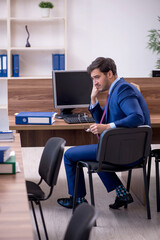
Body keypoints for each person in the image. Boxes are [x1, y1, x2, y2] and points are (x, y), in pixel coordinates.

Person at [57, 57, 150, 209]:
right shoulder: (115, 90)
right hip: (124, 149)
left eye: (97, 77)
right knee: (97, 150)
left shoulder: (123, 89)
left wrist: (107, 127)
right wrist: (93, 99)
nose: (95, 82)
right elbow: (103, 120)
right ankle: (122, 193)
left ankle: (77, 199)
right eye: (93, 79)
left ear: (110, 74)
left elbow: (137, 117)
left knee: (69, 155)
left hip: (128, 152)